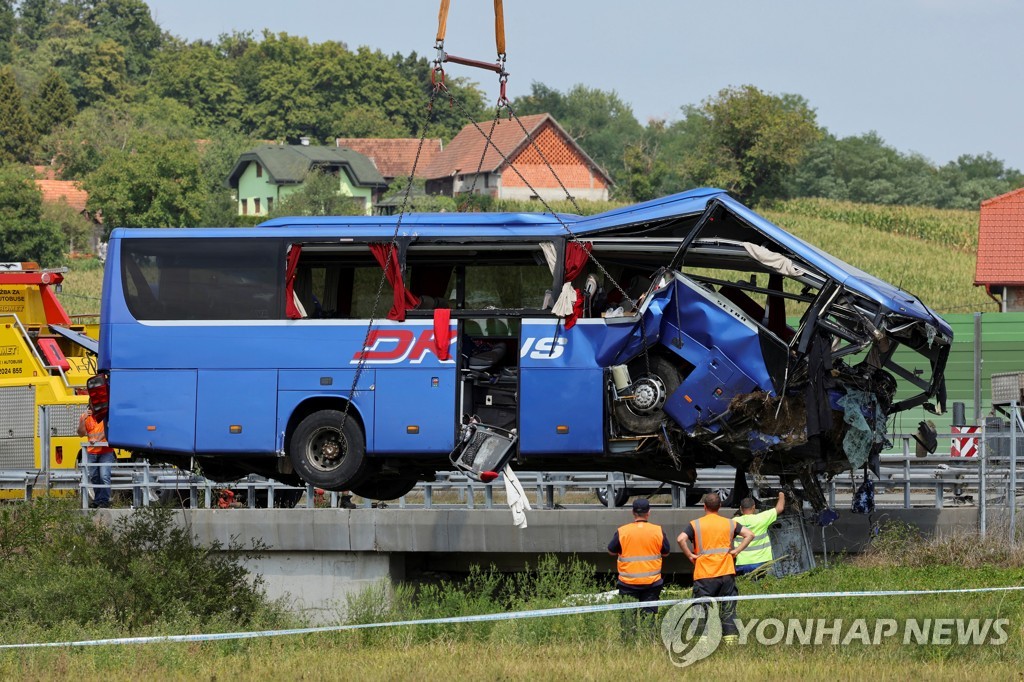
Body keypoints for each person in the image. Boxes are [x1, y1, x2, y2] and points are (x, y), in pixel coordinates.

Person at [677, 492, 754, 644]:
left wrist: (690, 555)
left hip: (704, 574)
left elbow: (681, 539)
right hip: (726, 573)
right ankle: (731, 643)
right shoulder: (729, 523)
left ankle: (701, 644)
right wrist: (736, 551)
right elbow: (749, 534)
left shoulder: (695, 524)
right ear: (719, 506)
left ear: (704, 506)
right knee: (728, 609)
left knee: (701, 610)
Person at [607, 498, 671, 616]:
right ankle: (648, 635)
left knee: (627, 620)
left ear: (633, 512)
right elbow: (666, 552)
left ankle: (630, 635)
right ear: (649, 512)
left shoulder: (623, 531)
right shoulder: (658, 530)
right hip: (652, 583)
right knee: (648, 620)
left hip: (627, 583)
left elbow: (611, 550)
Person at [734, 492, 786, 576]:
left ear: (741, 508)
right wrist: (781, 494)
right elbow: (779, 508)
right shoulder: (762, 518)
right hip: (761, 562)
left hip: (742, 562)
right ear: (754, 507)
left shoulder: (735, 522)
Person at [78, 406, 115, 508]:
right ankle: (98, 500)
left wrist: (98, 439)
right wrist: (83, 420)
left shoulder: (105, 415)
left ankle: (105, 500)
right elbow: (81, 434)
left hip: (105, 451)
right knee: (94, 477)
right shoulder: (85, 416)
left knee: (104, 476)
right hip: (91, 452)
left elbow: (107, 429)